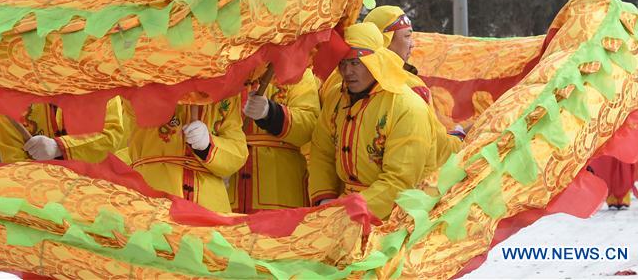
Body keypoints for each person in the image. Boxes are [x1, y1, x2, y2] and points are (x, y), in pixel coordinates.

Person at [308, 23, 437, 220]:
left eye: (355, 63)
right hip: (345, 211)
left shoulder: (406, 106)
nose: (347, 71)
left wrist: (346, 213)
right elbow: (321, 150)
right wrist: (325, 199)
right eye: (343, 63)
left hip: (399, 214)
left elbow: (399, 180)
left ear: (374, 62)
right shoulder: (336, 98)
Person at [364, 5, 466, 165]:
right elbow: (434, 145)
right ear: (386, 41)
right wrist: (461, 138)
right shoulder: (411, 88)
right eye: (407, 36)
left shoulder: (342, 80)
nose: (412, 44)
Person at [126, 97, 247, 213]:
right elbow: (133, 104)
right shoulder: (144, 85)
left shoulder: (228, 95)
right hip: (154, 191)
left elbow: (237, 153)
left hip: (210, 203)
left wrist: (208, 145)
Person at [228, 69, 320, 213]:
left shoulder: (297, 70)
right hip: (227, 188)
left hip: (280, 193)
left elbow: (310, 126)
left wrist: (270, 112)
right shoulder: (223, 70)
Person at [0, 98, 124, 164]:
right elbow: (14, 165)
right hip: (43, 196)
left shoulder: (100, 85)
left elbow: (111, 135)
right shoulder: (11, 105)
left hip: (98, 188)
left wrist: (58, 147)